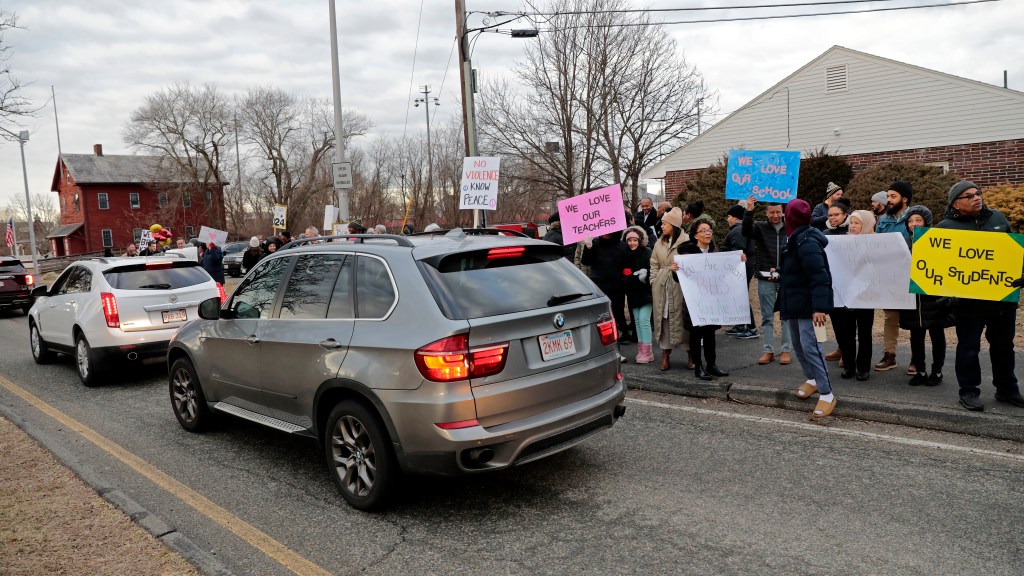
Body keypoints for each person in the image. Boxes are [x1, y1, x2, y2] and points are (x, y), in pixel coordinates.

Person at [934, 181, 1024, 411]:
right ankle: (969, 390)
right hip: (968, 303)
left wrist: (1021, 273)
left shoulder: (998, 219)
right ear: (956, 203)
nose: (976, 197)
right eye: (968, 196)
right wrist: (945, 294)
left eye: (977, 193)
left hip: (1001, 300)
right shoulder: (945, 227)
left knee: (1004, 346)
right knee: (969, 347)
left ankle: (1007, 389)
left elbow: (1014, 252)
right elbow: (938, 266)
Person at [781, 199, 837, 419]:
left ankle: (826, 393)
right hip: (795, 302)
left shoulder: (807, 242)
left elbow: (819, 276)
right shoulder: (795, 240)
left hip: (808, 306)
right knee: (798, 344)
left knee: (810, 346)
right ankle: (812, 379)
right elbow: (797, 272)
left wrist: (820, 308)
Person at [673, 219, 736, 380]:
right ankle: (698, 367)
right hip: (694, 302)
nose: (708, 233)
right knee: (695, 335)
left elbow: (725, 273)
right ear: (695, 235)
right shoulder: (687, 255)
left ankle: (711, 365)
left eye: (709, 230)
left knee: (710, 334)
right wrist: (676, 271)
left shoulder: (715, 253)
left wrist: (739, 261)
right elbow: (679, 279)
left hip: (711, 301)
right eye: (703, 230)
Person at [899, 205, 953, 387]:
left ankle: (937, 371)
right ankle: (920, 370)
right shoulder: (903, 243)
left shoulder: (937, 243)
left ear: (926, 223)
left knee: (937, 334)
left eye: (918, 220)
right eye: (910, 220)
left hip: (933, 298)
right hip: (913, 299)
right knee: (916, 335)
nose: (913, 224)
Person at [742, 196, 792, 366]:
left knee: (786, 315)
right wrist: (749, 210)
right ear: (766, 213)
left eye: (778, 212)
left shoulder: (790, 228)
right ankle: (768, 350)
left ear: (783, 212)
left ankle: (786, 350)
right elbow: (746, 230)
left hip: (786, 277)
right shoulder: (760, 227)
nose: (775, 215)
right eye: (772, 212)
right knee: (767, 316)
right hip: (765, 277)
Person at [873, 180, 913, 372]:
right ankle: (890, 355)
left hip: (910, 276)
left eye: (893, 196)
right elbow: (876, 244)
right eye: (888, 196)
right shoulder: (883, 220)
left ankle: (916, 358)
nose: (888, 200)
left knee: (914, 319)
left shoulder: (915, 218)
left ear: (904, 199)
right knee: (890, 318)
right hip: (889, 277)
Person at [833, 209, 877, 381]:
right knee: (846, 332)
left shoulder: (874, 244)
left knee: (865, 333)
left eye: (857, 223)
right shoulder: (840, 242)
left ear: (865, 224)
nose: (852, 226)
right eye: (851, 223)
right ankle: (849, 366)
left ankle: (863, 368)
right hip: (845, 294)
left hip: (866, 295)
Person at [649, 207, 691, 371]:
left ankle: (691, 354)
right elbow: (653, 263)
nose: (661, 226)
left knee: (683, 319)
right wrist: (653, 280)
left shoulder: (686, 241)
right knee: (664, 319)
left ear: (673, 225)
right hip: (661, 285)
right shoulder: (659, 243)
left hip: (680, 286)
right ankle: (665, 355)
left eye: (664, 224)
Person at [581, 229, 630, 363]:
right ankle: (596, 353)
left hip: (616, 288)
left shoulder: (622, 246)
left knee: (613, 321)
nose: (605, 234)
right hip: (598, 287)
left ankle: (616, 352)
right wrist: (588, 247)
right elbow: (586, 261)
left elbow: (627, 266)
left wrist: (624, 280)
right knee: (597, 320)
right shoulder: (595, 243)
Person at [721, 203, 758, 339]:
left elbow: (737, 252)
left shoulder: (738, 230)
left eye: (729, 216)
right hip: (745, 268)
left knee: (741, 296)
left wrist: (724, 253)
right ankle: (740, 324)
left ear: (736, 217)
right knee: (738, 296)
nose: (727, 219)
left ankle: (752, 328)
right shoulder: (739, 229)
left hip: (741, 269)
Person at [821, 198, 851, 363]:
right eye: (830, 215)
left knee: (847, 321)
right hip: (832, 284)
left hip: (849, 284)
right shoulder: (825, 234)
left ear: (845, 215)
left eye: (836, 215)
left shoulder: (852, 232)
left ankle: (848, 351)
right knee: (836, 320)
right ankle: (841, 348)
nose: (832, 218)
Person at [623, 226, 654, 363]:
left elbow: (652, 269)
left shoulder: (647, 252)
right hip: (632, 293)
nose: (632, 243)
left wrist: (644, 274)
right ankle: (641, 350)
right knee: (636, 322)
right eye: (629, 240)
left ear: (640, 240)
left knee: (644, 321)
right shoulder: (625, 254)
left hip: (646, 293)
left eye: (635, 240)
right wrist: (626, 275)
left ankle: (647, 351)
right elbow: (623, 271)